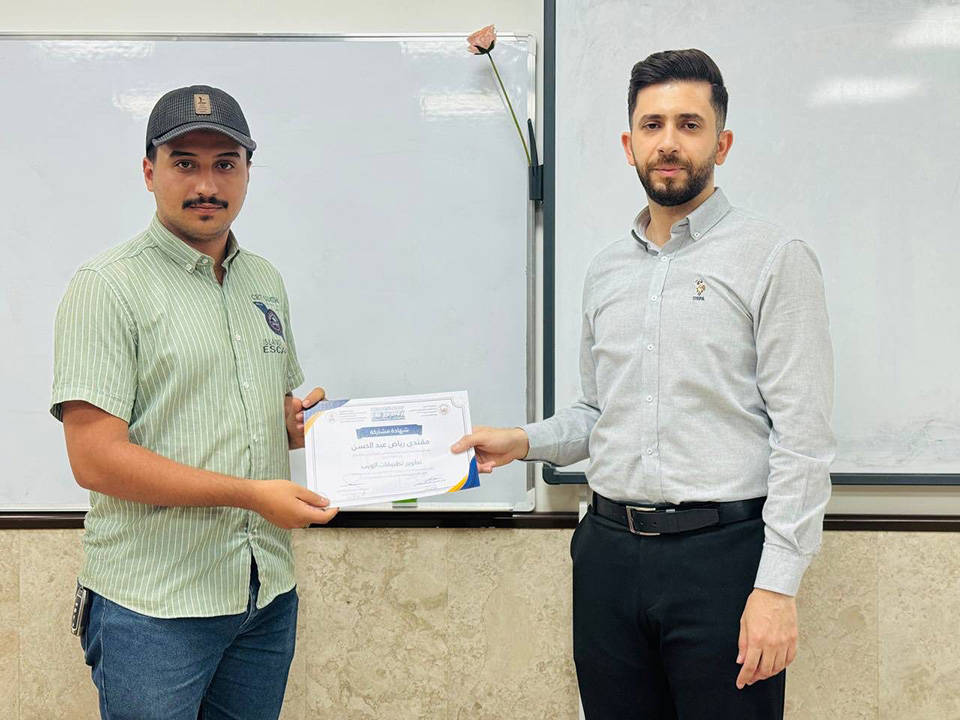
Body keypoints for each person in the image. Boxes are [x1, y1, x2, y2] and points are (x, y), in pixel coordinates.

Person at [453, 49, 835, 719]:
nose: (668, 142)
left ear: (722, 143)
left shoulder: (774, 258)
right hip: (608, 556)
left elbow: (802, 439)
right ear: (628, 145)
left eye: (689, 124)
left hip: (721, 561)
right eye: (652, 125)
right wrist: (522, 441)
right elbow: (598, 411)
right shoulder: (606, 271)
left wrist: (777, 588)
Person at [50, 85, 337, 720]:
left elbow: (258, 404)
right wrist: (250, 493)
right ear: (149, 171)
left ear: (247, 173)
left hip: (264, 595)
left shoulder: (264, 280)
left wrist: (290, 424)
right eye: (185, 163)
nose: (207, 184)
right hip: (153, 608)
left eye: (224, 164)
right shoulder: (106, 287)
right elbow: (95, 459)